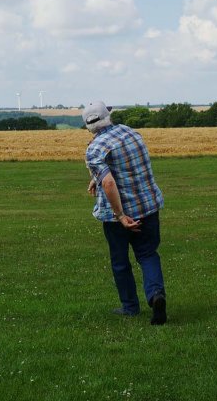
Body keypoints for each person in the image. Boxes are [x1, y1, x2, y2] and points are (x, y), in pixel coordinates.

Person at [83, 101, 167, 325]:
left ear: (88, 126)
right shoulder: (131, 133)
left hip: (116, 218)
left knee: (120, 261)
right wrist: (96, 178)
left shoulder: (94, 148)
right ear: (107, 116)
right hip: (148, 207)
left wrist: (120, 216)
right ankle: (156, 295)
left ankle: (130, 307)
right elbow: (126, 164)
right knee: (148, 254)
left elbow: (109, 182)